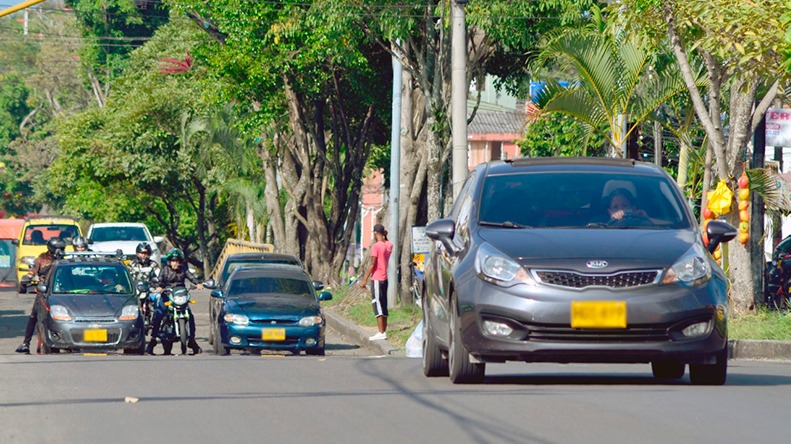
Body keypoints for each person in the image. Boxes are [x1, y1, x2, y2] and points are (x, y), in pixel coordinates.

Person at [146, 248, 203, 355]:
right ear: (169, 261)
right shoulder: (165, 270)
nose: (175, 263)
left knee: (190, 316)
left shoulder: (184, 269)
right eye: (173, 260)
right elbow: (160, 281)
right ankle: (152, 341)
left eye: (177, 261)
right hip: (167, 296)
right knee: (158, 314)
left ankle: (191, 340)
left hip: (181, 296)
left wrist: (197, 283)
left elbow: (191, 277)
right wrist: (159, 287)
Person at [15, 238, 65, 354]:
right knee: (33, 317)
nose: (61, 251)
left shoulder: (64, 261)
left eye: (62, 249)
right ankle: (26, 343)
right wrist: (28, 276)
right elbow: (32, 271)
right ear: (52, 249)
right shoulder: (41, 260)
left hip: (59, 293)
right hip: (43, 292)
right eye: (59, 249)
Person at [359, 223, 393, 341]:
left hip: (377, 278)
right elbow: (388, 242)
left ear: (375, 233)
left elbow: (372, 264)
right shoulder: (388, 245)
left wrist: (364, 280)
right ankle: (384, 330)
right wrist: (385, 237)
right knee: (383, 303)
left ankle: (381, 331)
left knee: (377, 304)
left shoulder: (376, 246)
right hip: (385, 278)